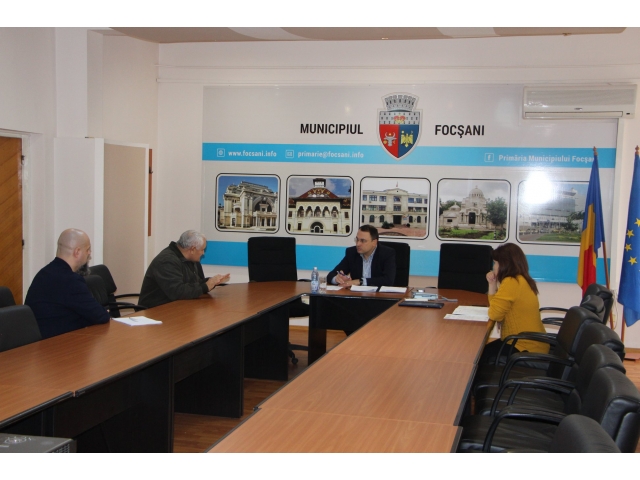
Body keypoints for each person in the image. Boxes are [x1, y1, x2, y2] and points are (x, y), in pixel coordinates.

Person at [25, 228, 111, 339]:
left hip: (42, 341)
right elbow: (101, 316)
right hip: (56, 343)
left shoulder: (44, 273)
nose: (89, 253)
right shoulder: (70, 280)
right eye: (88, 249)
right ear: (77, 252)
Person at [480, 243, 550, 364]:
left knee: (478, 357)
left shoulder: (511, 282)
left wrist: (494, 287)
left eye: (496, 263)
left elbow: (494, 314)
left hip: (524, 346)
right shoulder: (521, 279)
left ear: (504, 264)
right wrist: (492, 284)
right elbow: (497, 310)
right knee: (481, 352)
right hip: (531, 342)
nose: (494, 267)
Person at [139, 230, 230, 308]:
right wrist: (205, 286)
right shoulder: (166, 261)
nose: (203, 253)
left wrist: (212, 281)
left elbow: (194, 284)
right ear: (192, 249)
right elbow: (177, 292)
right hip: (155, 311)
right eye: (202, 250)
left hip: (177, 308)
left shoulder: (190, 259)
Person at [327, 225, 396, 288]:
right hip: (357, 295)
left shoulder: (387, 253)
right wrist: (337, 279)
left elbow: (388, 280)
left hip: (379, 296)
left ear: (374, 242)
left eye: (363, 241)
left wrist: (360, 281)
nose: (358, 244)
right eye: (357, 239)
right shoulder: (352, 253)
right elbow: (331, 275)